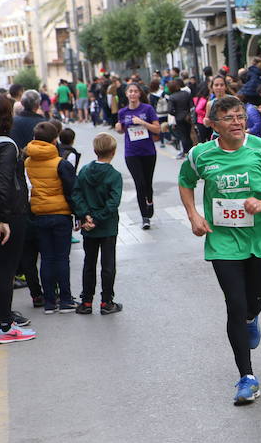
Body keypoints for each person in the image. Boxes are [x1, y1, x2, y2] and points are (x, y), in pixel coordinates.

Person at [179, 95, 261, 405]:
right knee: (235, 305)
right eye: (229, 118)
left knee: (253, 303)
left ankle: (252, 317)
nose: (238, 122)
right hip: (223, 242)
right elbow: (185, 182)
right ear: (213, 124)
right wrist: (194, 215)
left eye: (241, 116)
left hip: (258, 240)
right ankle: (247, 376)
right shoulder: (200, 155)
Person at [0, 93, 36, 343]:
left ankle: (4, 320)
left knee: (1, 268)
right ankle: (5, 326)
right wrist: (5, 218)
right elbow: (5, 183)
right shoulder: (5, 144)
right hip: (7, 214)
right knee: (6, 270)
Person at [25, 121, 77, 314]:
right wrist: (78, 214)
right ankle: (65, 300)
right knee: (62, 258)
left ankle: (49, 302)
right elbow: (71, 191)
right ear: (54, 140)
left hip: (38, 214)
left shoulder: (27, 163)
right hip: (61, 215)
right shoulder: (60, 163)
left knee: (46, 258)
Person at [71, 133, 123, 315]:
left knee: (89, 263)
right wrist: (99, 218)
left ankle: (86, 302)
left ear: (95, 151)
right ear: (114, 151)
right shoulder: (114, 175)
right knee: (108, 265)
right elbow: (113, 202)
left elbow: (76, 194)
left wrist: (86, 216)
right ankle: (106, 302)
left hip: (88, 226)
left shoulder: (84, 171)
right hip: (107, 226)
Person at [115, 83, 160, 230]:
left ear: (139, 94)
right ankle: (145, 217)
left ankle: (150, 201)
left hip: (148, 152)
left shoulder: (147, 109)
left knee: (148, 183)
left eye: (135, 91)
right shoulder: (123, 112)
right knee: (139, 184)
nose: (133, 94)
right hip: (131, 153)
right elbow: (122, 130)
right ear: (127, 94)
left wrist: (142, 122)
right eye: (130, 91)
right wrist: (118, 128)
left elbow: (157, 129)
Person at [168, 79, 195, 158]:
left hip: (179, 118)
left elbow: (170, 110)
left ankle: (186, 152)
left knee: (183, 135)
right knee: (189, 134)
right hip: (188, 117)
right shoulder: (186, 93)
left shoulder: (172, 97)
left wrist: (176, 113)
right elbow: (192, 105)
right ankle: (191, 151)